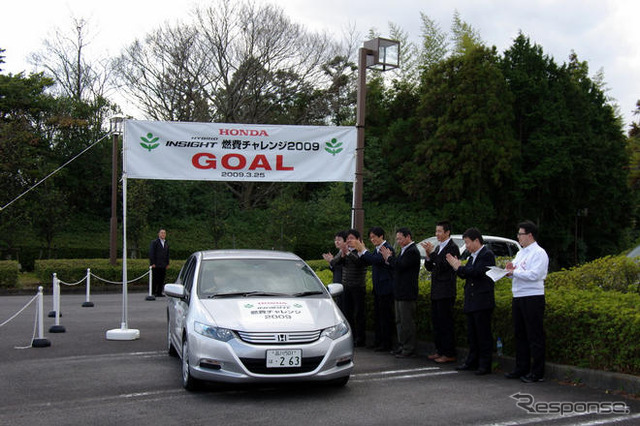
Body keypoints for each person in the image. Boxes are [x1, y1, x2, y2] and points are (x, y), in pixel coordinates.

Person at [504, 220, 549, 383]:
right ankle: (521, 367)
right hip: (518, 295)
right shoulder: (521, 253)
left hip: (533, 297)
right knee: (520, 334)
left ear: (529, 235)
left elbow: (534, 275)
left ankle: (537, 372)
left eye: (520, 234)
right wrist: (509, 271)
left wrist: (515, 273)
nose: (518, 237)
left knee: (534, 334)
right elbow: (516, 270)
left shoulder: (539, 253)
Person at [446, 228, 495, 375]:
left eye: (467, 242)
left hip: (482, 301)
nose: (466, 246)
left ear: (476, 240)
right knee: (472, 335)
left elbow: (477, 272)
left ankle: (485, 364)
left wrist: (460, 267)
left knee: (483, 335)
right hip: (472, 300)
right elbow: (465, 274)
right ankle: (472, 361)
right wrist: (457, 268)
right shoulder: (472, 257)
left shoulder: (487, 255)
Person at [422, 221, 460, 364]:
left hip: (446, 290)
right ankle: (440, 350)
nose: (437, 234)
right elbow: (430, 267)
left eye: (439, 231)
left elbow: (445, 266)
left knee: (446, 323)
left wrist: (433, 254)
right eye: (436, 231)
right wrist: (428, 255)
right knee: (437, 322)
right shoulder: (438, 247)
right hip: (436, 290)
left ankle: (449, 352)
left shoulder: (453, 248)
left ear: (447, 232)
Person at [380, 227, 421, 358]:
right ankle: (402, 344)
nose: (398, 241)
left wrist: (389, 258)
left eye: (400, 238)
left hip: (407, 292)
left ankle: (409, 348)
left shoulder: (412, 251)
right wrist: (390, 259)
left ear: (408, 237)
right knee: (399, 320)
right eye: (397, 239)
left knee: (407, 321)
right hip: (399, 291)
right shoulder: (404, 250)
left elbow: (400, 265)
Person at [354, 227, 395, 352]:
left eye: (374, 237)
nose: (372, 240)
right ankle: (378, 341)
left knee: (385, 317)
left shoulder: (386, 248)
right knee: (378, 317)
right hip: (378, 288)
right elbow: (370, 259)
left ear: (381, 236)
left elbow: (376, 260)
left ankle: (386, 343)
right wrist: (362, 252)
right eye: (370, 238)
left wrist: (363, 250)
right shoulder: (376, 249)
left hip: (386, 288)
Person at [333, 229, 368, 347]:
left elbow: (360, 263)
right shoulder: (344, 250)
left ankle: (360, 338)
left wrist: (348, 253)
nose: (349, 240)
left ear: (358, 239)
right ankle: (350, 337)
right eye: (347, 238)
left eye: (352, 238)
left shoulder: (361, 250)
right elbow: (334, 263)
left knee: (359, 314)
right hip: (346, 286)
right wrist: (342, 255)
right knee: (347, 313)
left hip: (358, 287)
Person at [149, 229, 170, 297]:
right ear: (159, 234)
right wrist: (152, 263)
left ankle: (159, 292)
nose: (163, 234)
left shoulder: (166, 243)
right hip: (156, 264)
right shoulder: (154, 242)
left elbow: (167, 254)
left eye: (164, 233)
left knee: (162, 279)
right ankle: (153, 292)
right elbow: (152, 253)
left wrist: (167, 263)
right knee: (155, 279)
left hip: (163, 264)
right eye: (162, 233)